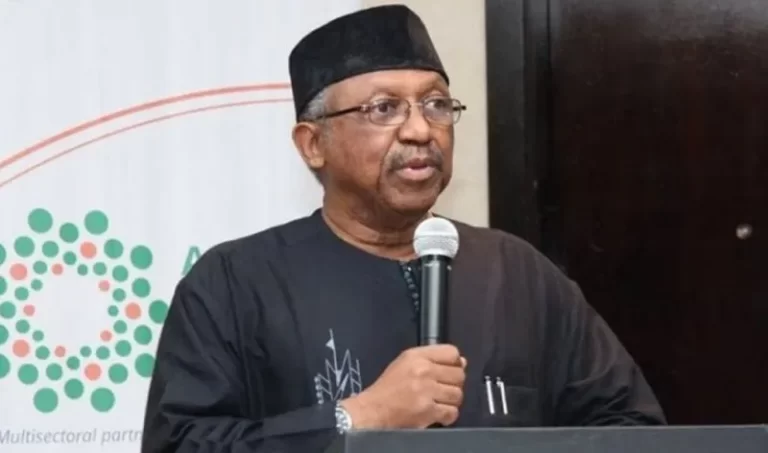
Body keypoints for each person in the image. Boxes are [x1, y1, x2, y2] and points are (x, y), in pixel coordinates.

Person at [140, 4, 666, 452]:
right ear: (313, 144)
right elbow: (182, 443)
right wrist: (357, 418)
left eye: (436, 104)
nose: (419, 130)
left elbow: (631, 428)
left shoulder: (517, 272)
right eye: (384, 108)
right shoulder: (234, 283)